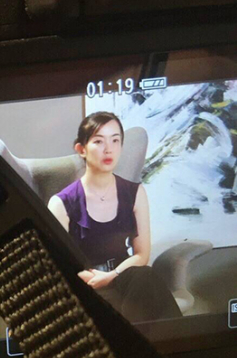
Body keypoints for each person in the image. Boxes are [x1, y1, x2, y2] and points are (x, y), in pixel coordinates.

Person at [47, 111, 182, 322]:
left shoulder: (135, 193)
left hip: (124, 276)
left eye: (115, 140)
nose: (108, 149)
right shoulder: (61, 203)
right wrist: (95, 279)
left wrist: (113, 275)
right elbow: (58, 267)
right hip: (86, 284)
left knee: (145, 276)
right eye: (99, 141)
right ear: (81, 149)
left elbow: (142, 255)